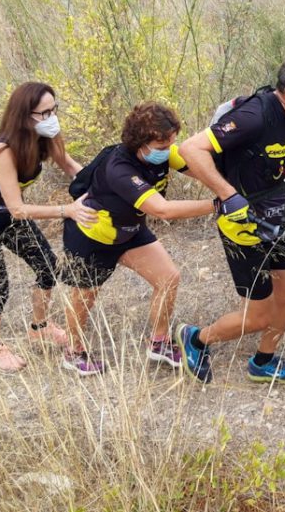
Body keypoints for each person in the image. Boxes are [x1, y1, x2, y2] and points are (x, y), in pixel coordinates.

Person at [176, 53, 285, 385]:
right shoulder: (253, 115)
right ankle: (197, 338)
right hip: (243, 224)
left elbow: (272, 148)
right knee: (258, 315)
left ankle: (264, 361)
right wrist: (228, 194)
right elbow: (190, 149)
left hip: (280, 215)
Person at [62, 102, 216, 376]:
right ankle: (73, 352)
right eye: (161, 146)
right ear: (139, 143)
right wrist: (219, 204)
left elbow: (199, 168)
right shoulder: (119, 168)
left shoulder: (163, 150)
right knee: (85, 297)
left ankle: (158, 343)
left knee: (168, 278)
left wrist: (232, 184)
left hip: (130, 229)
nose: (168, 150)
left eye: (171, 143)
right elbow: (162, 209)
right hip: (93, 234)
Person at [0, 81, 96, 373]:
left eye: (53, 110)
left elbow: (68, 165)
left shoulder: (47, 134)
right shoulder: (3, 149)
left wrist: (102, 187)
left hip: (10, 220)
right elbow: (18, 208)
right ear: (24, 114)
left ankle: (39, 327)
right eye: (43, 113)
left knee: (47, 266)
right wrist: (66, 210)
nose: (51, 117)